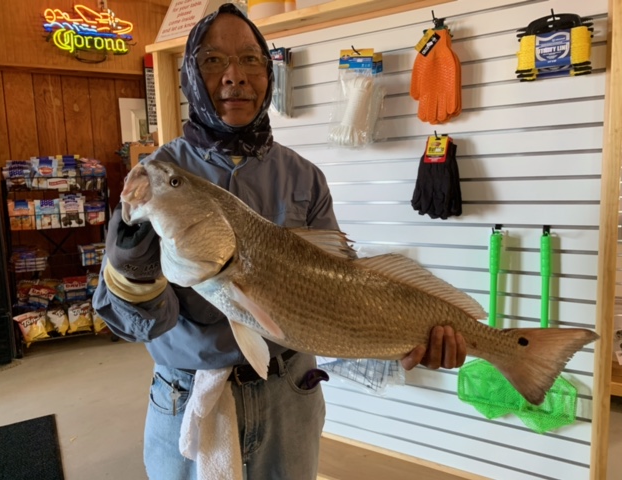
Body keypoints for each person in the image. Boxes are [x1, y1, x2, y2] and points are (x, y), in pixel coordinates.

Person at [93, 3, 467, 479]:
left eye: (251, 59)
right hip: (186, 392)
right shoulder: (158, 178)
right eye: (212, 61)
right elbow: (137, 326)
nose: (235, 76)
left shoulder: (305, 177)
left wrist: (407, 336)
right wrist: (133, 268)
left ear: (268, 74)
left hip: (290, 393)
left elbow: (339, 295)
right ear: (189, 74)